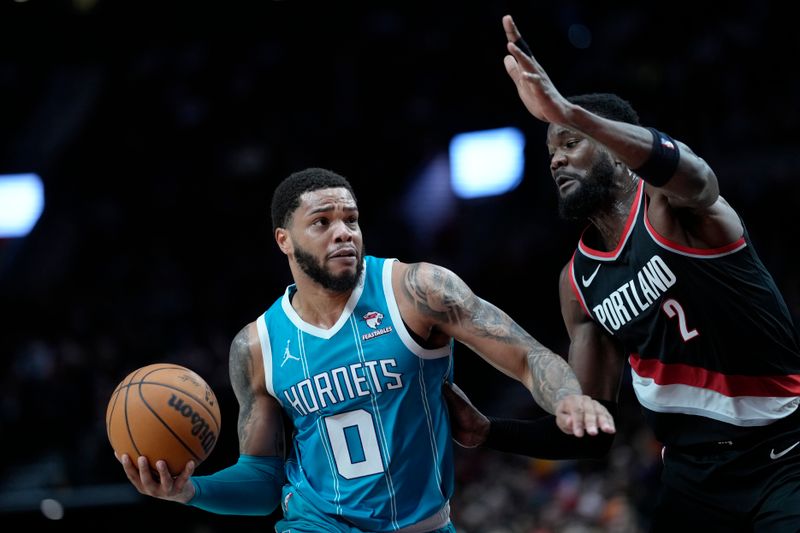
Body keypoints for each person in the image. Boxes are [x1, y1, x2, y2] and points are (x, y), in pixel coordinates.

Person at [447, 14, 800, 532]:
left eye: (571, 143)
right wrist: (488, 431)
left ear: (614, 150)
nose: (556, 161)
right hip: (691, 481)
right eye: (551, 152)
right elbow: (594, 430)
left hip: (783, 455)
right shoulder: (577, 283)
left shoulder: (671, 209)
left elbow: (698, 177)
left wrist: (571, 112)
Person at [116, 167, 615, 532]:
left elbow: (528, 356)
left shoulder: (418, 291)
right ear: (284, 240)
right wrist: (191, 491)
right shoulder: (257, 346)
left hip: (423, 524)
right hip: (317, 524)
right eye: (323, 222)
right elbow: (263, 479)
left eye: (351, 219)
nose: (343, 233)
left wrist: (567, 396)